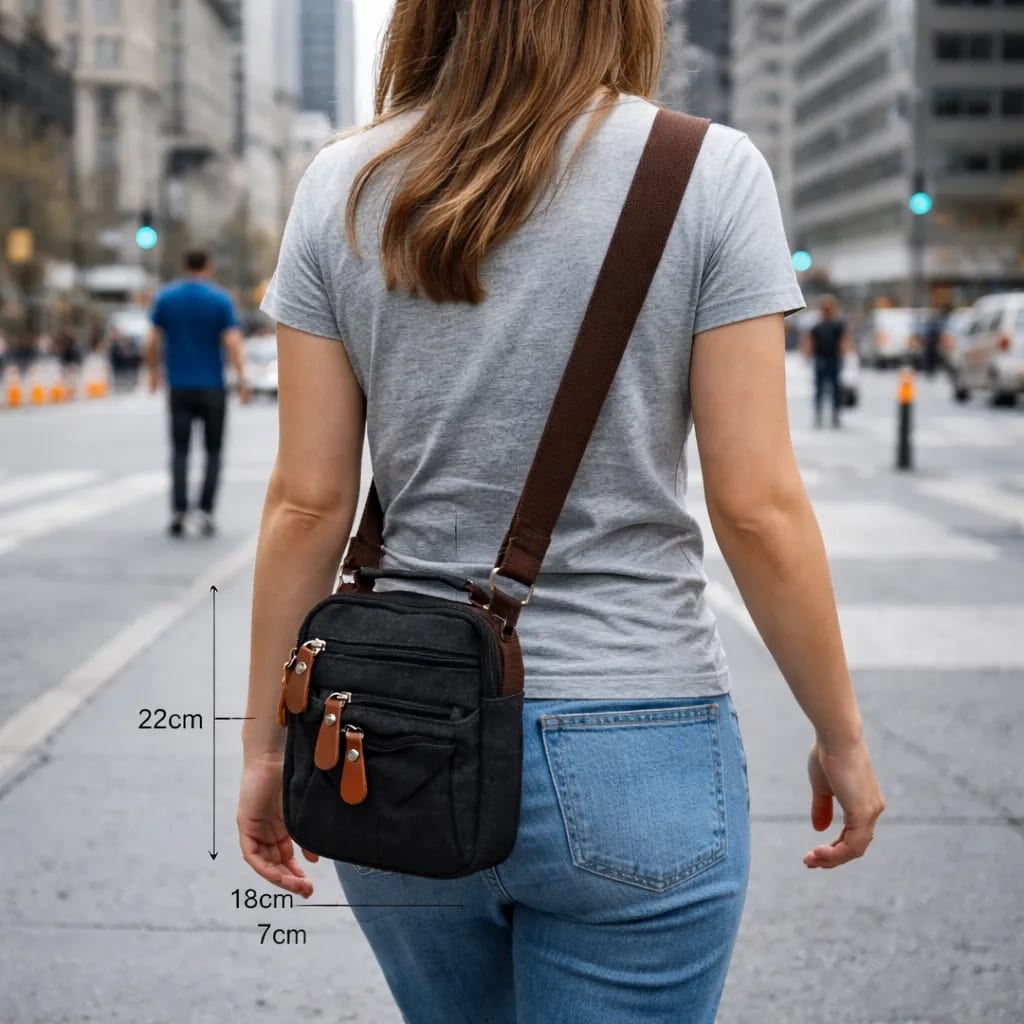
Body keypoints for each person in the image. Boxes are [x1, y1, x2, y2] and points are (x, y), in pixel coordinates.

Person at [237, 3, 885, 1021]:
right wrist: (837, 730)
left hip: (396, 732)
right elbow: (756, 507)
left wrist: (266, 747)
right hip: (638, 734)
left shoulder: (345, 183)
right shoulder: (707, 172)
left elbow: (305, 502)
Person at [145, 249, 249, 537]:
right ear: (209, 266)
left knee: (180, 450)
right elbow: (232, 343)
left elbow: (152, 340)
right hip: (212, 387)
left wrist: (153, 373)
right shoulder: (220, 300)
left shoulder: (166, 297)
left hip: (179, 387)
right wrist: (241, 380)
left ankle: (178, 510)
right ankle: (205, 510)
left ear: (184, 265)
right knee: (213, 451)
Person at [802, 294, 851, 428]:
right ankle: (818, 416)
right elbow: (810, 342)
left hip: (834, 360)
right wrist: (807, 356)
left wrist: (846, 355)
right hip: (820, 360)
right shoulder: (817, 326)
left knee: (836, 390)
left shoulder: (838, 325)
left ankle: (836, 417)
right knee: (819, 390)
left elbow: (844, 341)